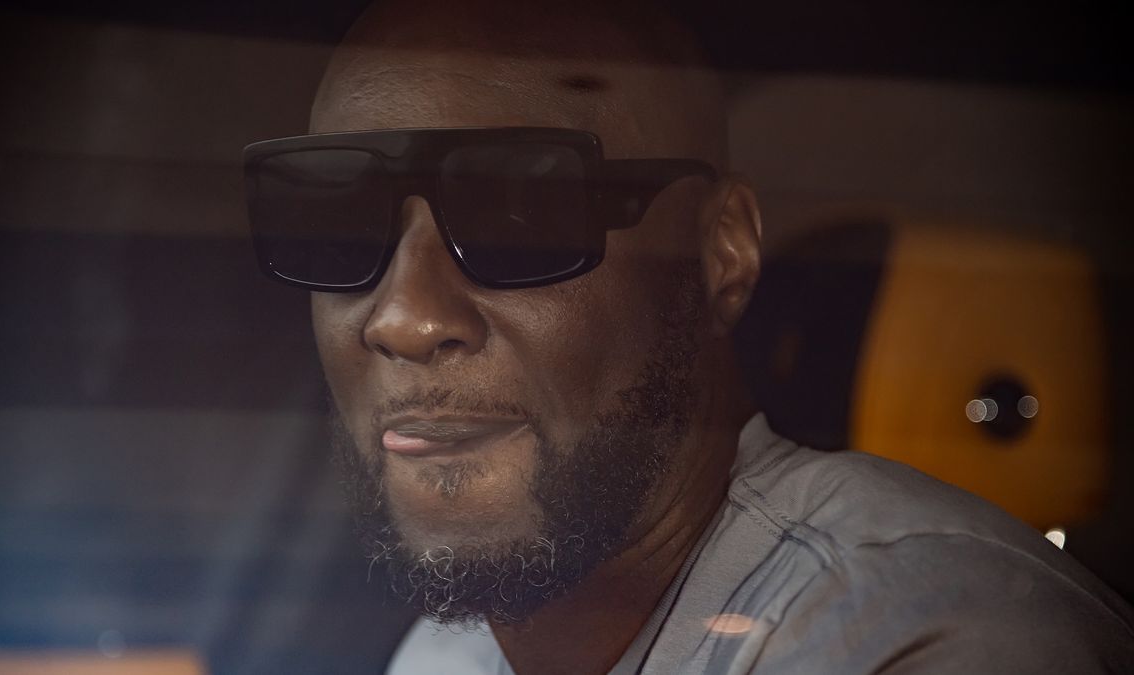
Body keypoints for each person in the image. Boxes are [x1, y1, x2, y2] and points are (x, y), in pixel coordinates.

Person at [241, 0, 1134, 672]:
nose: (405, 315)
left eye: (523, 214)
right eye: (339, 222)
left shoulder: (912, 634)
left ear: (722, 253)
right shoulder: (448, 653)